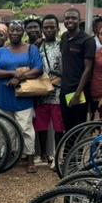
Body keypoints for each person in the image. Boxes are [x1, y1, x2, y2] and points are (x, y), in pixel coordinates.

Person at [0, 20, 43, 172]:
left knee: (25, 127)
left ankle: (30, 158)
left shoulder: (31, 49)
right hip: (4, 96)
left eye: (18, 30)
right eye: (12, 30)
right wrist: (13, 73)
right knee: (5, 128)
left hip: (23, 96)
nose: (15, 33)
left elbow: (38, 69)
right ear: (8, 33)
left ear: (23, 32)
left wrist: (19, 78)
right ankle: (7, 155)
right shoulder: (1, 51)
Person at [59, 7, 96, 131]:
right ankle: (68, 151)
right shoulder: (64, 37)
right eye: (67, 18)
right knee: (67, 127)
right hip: (64, 90)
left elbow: (88, 69)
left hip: (79, 92)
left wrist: (77, 93)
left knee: (78, 126)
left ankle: (77, 151)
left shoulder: (87, 40)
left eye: (73, 18)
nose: (70, 20)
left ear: (79, 20)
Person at [34, 15, 63, 166]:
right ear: (42, 29)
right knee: (41, 124)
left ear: (57, 29)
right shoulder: (38, 46)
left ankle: (56, 155)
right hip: (41, 91)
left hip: (57, 91)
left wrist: (52, 83)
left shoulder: (62, 45)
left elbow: (65, 69)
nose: (49, 30)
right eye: (46, 27)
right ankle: (43, 154)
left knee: (58, 125)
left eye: (52, 27)